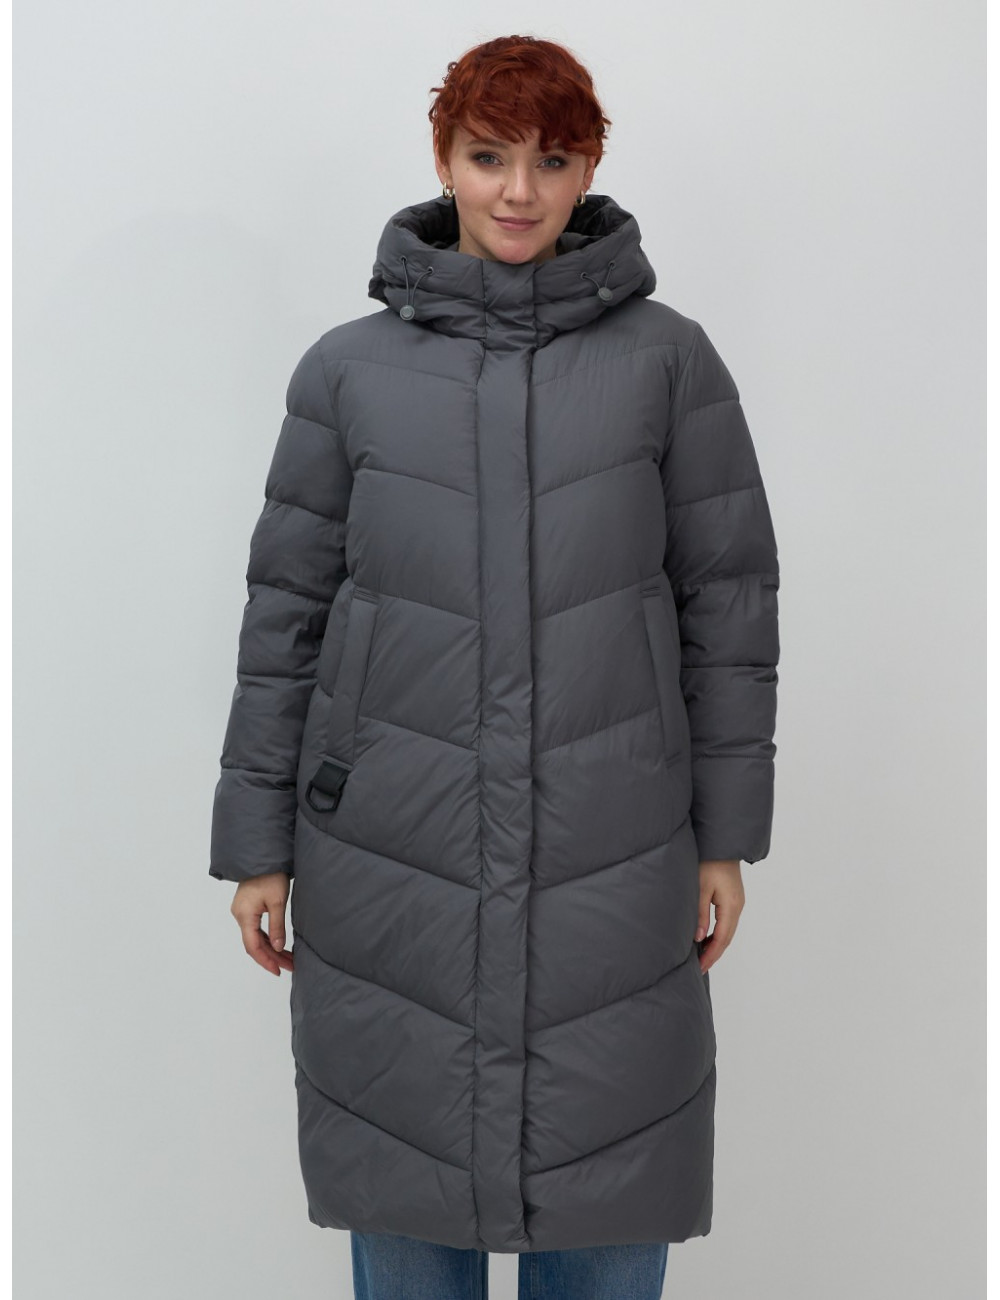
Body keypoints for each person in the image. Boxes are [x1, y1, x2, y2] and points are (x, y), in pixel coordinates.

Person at [209, 33, 780, 1300]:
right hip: (391, 849)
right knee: (403, 1185)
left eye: (552, 161)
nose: (518, 191)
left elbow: (728, 603)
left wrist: (724, 835)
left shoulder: (668, 363)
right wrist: (258, 841)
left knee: (611, 1174)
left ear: (589, 171)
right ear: (442, 160)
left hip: (613, 844)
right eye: (487, 157)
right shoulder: (345, 372)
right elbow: (286, 612)